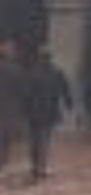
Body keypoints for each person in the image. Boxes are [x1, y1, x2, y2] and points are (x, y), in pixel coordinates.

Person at [22, 47, 72, 182]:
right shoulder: (57, 72)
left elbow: (26, 93)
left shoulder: (33, 72)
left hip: (34, 112)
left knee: (34, 140)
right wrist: (69, 104)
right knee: (44, 140)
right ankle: (41, 167)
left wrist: (24, 109)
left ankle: (35, 166)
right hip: (49, 111)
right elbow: (65, 89)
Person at [0, 39, 24, 174]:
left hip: (6, 107)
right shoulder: (15, 69)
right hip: (9, 108)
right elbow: (21, 89)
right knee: (5, 135)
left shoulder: (14, 69)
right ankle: (3, 159)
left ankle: (3, 159)